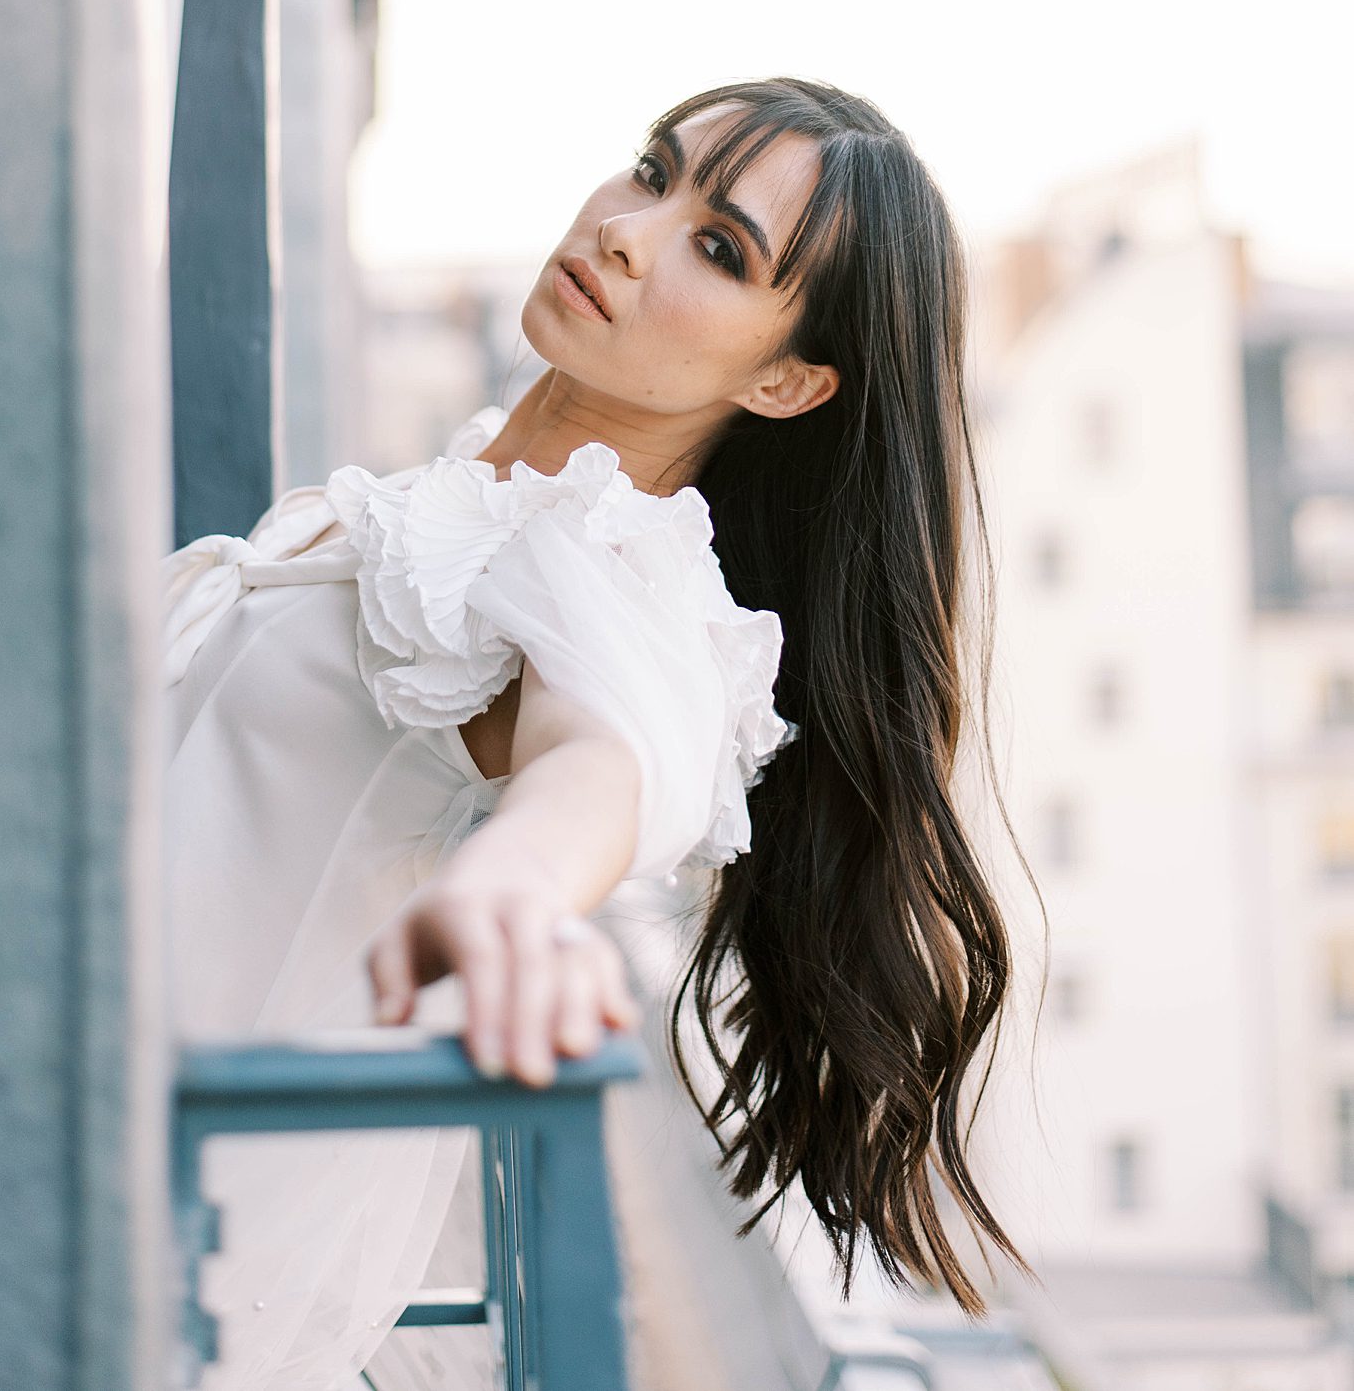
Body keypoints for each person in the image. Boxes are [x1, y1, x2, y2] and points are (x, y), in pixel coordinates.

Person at [164, 76, 1024, 1388]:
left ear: (788, 380)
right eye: (649, 170)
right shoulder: (461, 498)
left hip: (124, 1260)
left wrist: (515, 892)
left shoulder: (620, 573)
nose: (627, 228)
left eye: (719, 248)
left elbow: (608, 754)